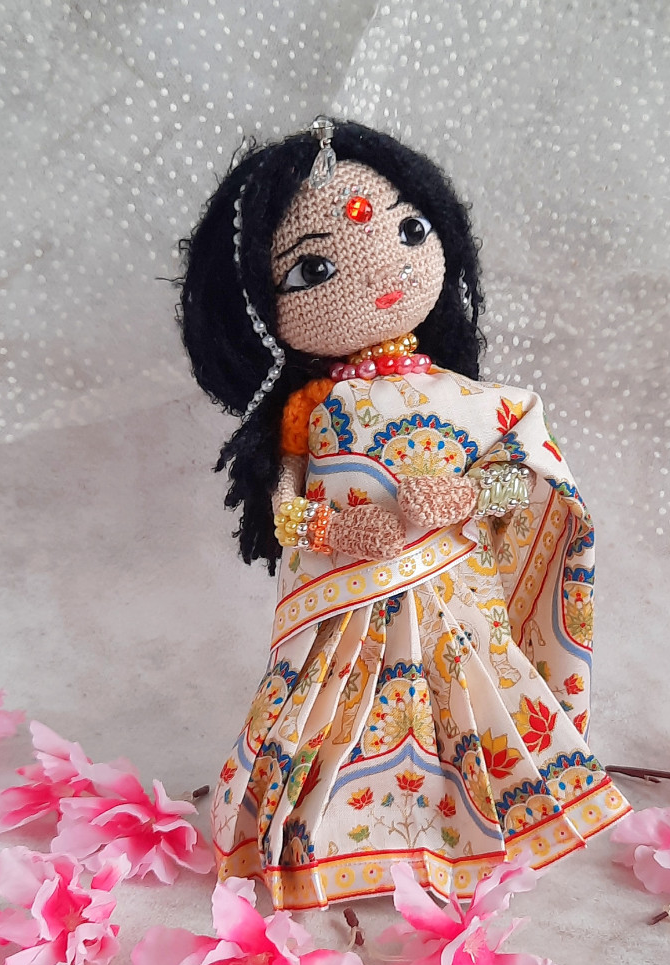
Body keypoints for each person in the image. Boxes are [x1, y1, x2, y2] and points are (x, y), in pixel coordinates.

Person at [180, 118, 629, 909]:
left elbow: (527, 491)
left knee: (472, 714)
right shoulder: (310, 412)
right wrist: (343, 530)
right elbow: (283, 514)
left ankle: (470, 831)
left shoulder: (481, 403)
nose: (384, 268)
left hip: (458, 607)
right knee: (337, 721)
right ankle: (344, 837)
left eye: (410, 230)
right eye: (315, 268)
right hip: (347, 615)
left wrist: (466, 496)